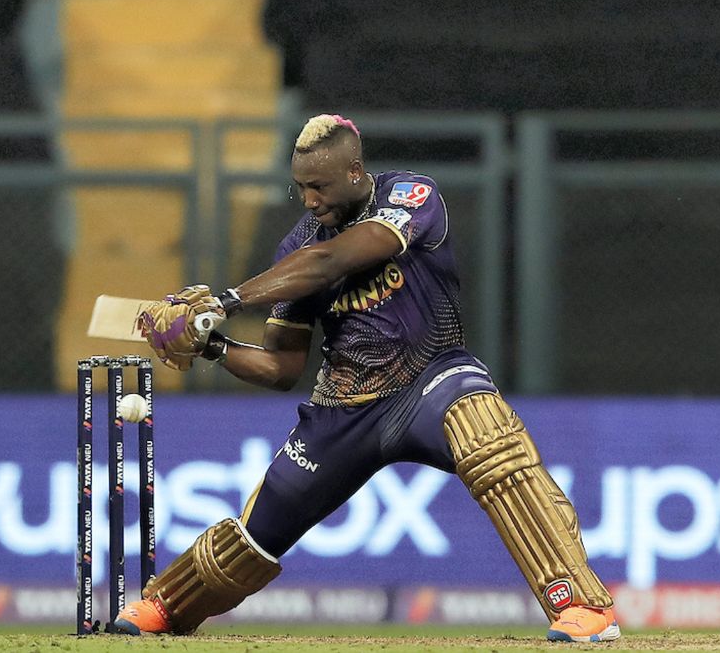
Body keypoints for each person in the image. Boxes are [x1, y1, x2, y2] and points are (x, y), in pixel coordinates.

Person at [118, 113, 620, 643]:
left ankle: (583, 607)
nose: (310, 200)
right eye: (301, 188)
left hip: (430, 380)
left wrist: (224, 303)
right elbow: (282, 368)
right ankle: (168, 607)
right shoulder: (297, 248)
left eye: (319, 186)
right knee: (259, 528)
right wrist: (211, 344)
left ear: (355, 172)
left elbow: (332, 260)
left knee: (490, 442)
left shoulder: (410, 195)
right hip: (344, 409)